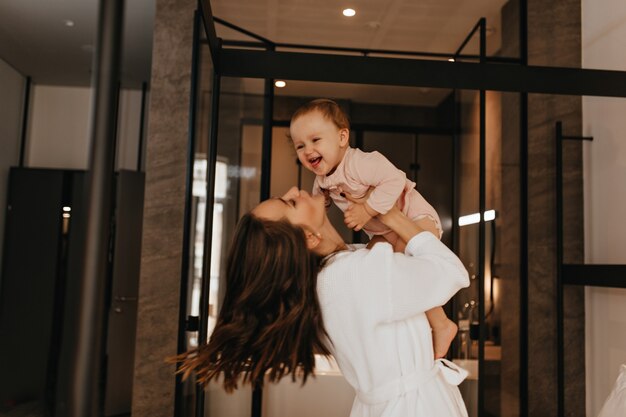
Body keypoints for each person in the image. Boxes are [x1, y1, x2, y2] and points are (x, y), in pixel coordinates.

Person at [174, 186, 470, 416]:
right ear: (309, 238)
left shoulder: (338, 274)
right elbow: (451, 272)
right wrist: (391, 215)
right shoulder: (352, 276)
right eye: (289, 203)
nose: (294, 191)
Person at [289, 98, 457, 359]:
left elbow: (395, 179)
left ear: (343, 136)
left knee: (401, 266)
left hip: (415, 217)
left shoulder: (361, 162)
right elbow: (319, 204)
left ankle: (441, 323)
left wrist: (367, 210)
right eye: (300, 145)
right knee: (370, 267)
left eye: (315, 140)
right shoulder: (321, 180)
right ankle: (391, 332)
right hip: (382, 233)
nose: (307, 150)